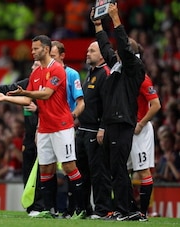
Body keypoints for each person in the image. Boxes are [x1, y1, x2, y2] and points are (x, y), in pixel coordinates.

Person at [0, 35, 86, 219]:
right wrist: (5, 98)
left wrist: (25, 91)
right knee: (45, 169)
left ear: (46, 49)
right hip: (44, 128)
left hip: (62, 125)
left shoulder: (57, 70)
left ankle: (80, 208)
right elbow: (27, 99)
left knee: (69, 166)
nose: (32, 52)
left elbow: (46, 94)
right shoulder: (35, 73)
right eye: (32, 49)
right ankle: (48, 209)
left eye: (36, 49)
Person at [91, 3, 145, 220]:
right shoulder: (117, 65)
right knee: (116, 169)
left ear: (129, 53)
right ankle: (128, 209)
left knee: (119, 168)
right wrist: (97, 25)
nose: (114, 53)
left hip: (123, 123)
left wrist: (115, 19)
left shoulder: (133, 68)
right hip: (113, 122)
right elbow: (106, 48)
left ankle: (126, 210)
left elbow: (121, 45)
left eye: (120, 51)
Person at [0, 60, 45, 217]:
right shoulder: (27, 83)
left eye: (36, 65)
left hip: (46, 134)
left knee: (44, 172)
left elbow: (59, 109)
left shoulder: (49, 86)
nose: (32, 68)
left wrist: (37, 110)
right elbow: (7, 89)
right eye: (32, 65)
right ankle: (31, 206)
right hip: (30, 136)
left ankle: (43, 206)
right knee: (28, 170)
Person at [75, 41, 113, 219]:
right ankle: (85, 208)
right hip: (82, 129)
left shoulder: (105, 74)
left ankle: (102, 209)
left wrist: (103, 128)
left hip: (95, 130)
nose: (87, 53)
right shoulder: (90, 73)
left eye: (92, 50)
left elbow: (108, 104)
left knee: (98, 172)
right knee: (82, 172)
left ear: (102, 55)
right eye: (88, 50)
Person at [50, 40, 85, 217]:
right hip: (48, 128)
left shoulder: (72, 74)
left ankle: (76, 208)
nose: (51, 60)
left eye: (54, 56)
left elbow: (80, 102)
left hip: (64, 128)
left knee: (68, 167)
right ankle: (54, 209)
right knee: (50, 169)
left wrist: (71, 117)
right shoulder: (46, 74)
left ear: (62, 56)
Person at [127, 72, 161, 221]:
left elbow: (156, 105)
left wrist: (141, 124)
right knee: (122, 170)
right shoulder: (122, 75)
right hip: (126, 128)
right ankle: (128, 209)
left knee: (142, 171)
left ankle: (143, 213)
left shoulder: (142, 78)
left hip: (139, 129)